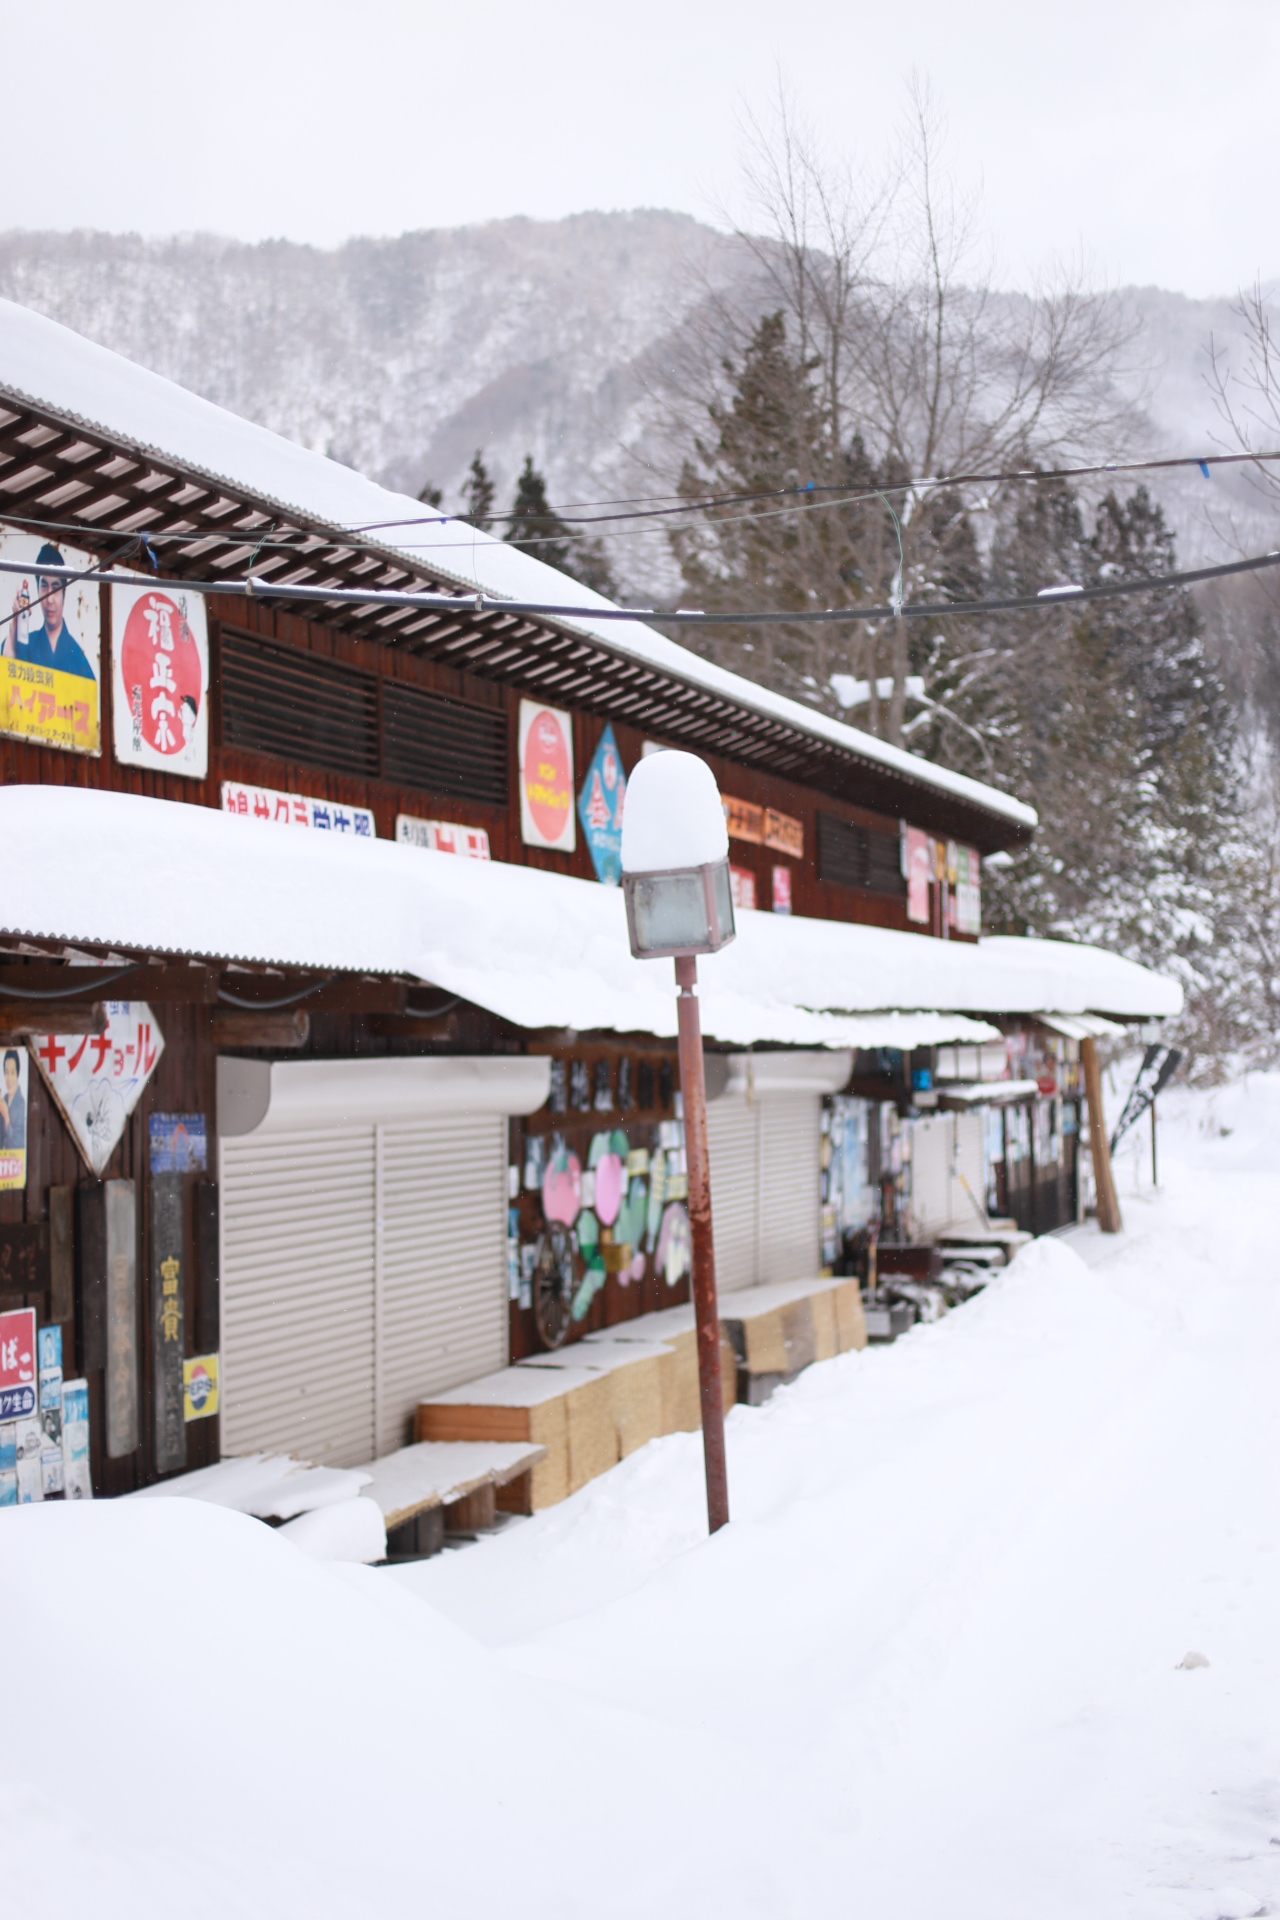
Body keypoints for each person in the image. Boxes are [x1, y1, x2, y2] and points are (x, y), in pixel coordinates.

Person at [5, 545, 95, 678]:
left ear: (64, 592)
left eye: (55, 587)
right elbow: (5, 679)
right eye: (44, 586)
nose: (49, 598)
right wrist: (15, 622)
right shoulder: (26, 643)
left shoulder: (79, 659)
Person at [0, 1049, 25, 1151]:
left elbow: (17, 1144)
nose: (9, 1078)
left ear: (17, 1074)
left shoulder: (21, 1103)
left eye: (12, 1072)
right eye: (6, 1072)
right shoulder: (4, 1099)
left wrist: (5, 1114)